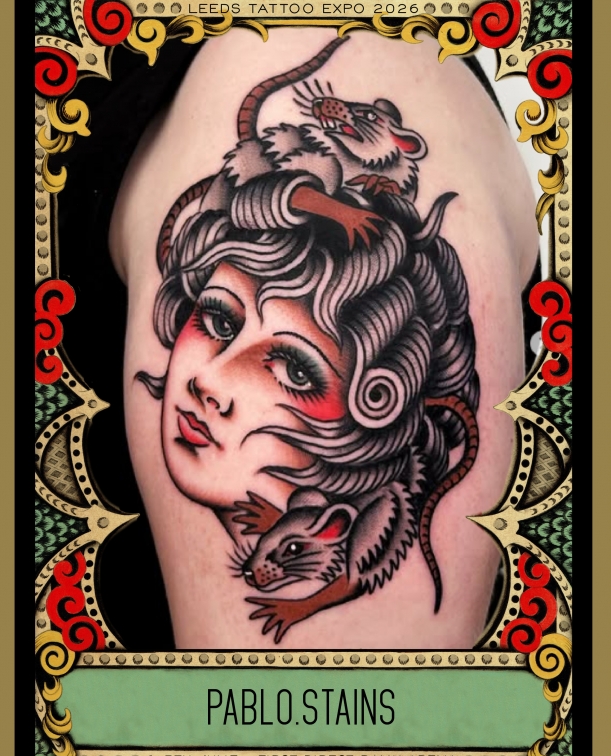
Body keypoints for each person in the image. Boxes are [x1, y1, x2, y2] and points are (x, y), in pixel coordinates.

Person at [109, 28, 539, 649]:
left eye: (294, 369)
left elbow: (345, 715)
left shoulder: (319, 47)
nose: (210, 383)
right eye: (220, 321)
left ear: (377, 406)